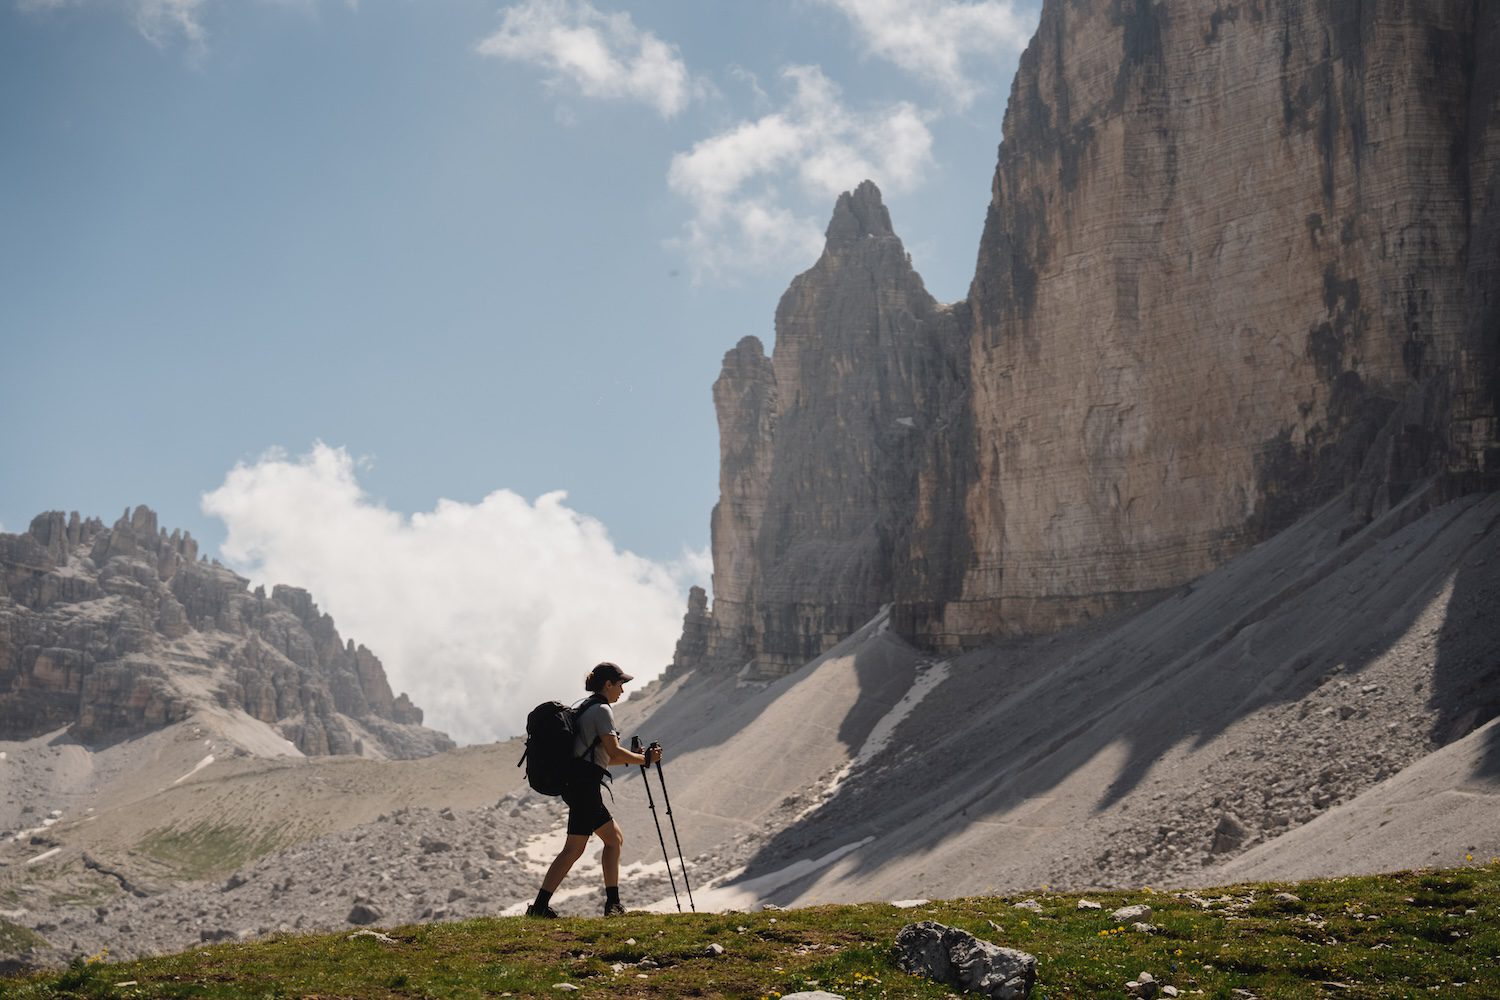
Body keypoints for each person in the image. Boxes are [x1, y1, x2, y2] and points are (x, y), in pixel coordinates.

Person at [526, 661, 662, 918]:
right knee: (582, 847)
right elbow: (612, 752)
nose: (622, 690)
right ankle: (607, 906)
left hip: (578, 785)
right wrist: (645, 760)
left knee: (606, 841)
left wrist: (633, 758)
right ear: (608, 684)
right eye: (620, 684)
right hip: (584, 787)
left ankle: (547, 906)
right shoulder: (601, 710)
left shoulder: (585, 708)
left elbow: (603, 758)